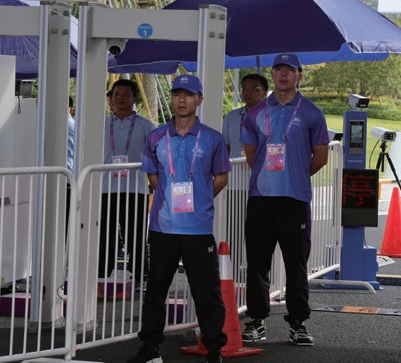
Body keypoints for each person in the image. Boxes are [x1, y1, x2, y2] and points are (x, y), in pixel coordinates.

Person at [128, 74, 230, 363]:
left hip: (198, 229)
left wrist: (200, 199)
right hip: (163, 227)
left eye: (188, 94)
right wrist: (169, 200)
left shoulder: (213, 138)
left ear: (200, 99)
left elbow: (221, 177)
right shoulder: (156, 137)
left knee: (206, 293)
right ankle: (150, 348)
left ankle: (214, 349)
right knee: (155, 291)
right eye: (176, 94)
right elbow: (152, 175)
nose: (181, 100)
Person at [239, 53, 329, 346]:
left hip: (294, 199)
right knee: (257, 262)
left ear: (299, 75)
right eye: (278, 69)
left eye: (290, 70)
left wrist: (296, 175)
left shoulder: (312, 112)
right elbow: (252, 157)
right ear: (273, 74)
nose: (283, 74)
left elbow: (321, 157)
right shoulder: (255, 113)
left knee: (296, 263)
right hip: (261, 198)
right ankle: (257, 320)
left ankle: (298, 322)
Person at [99, 79, 155, 281]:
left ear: (134, 99)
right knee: (104, 234)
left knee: (136, 234)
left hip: (135, 188)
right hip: (106, 188)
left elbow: (156, 154)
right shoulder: (101, 124)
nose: (120, 98)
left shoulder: (146, 125)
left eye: (125, 94)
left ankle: (140, 274)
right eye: (116, 94)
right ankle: (101, 274)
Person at [222, 74, 268, 158]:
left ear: (264, 93)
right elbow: (226, 147)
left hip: (262, 165)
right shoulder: (231, 117)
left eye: (253, 89)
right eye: (244, 89)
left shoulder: (271, 117)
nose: (247, 92)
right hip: (236, 165)